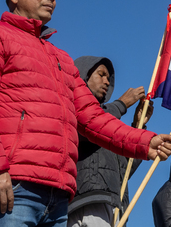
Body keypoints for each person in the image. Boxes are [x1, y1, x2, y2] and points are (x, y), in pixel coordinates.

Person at [0, 0, 171, 227]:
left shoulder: (60, 58)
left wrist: (143, 142)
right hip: (14, 187)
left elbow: (93, 118)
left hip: (59, 197)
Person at [68, 56, 154, 227]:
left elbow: (124, 169)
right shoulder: (73, 110)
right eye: (101, 75)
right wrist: (121, 104)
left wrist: (138, 126)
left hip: (112, 205)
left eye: (108, 78)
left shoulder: (110, 124)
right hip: (88, 202)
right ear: (84, 76)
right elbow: (89, 125)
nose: (107, 82)